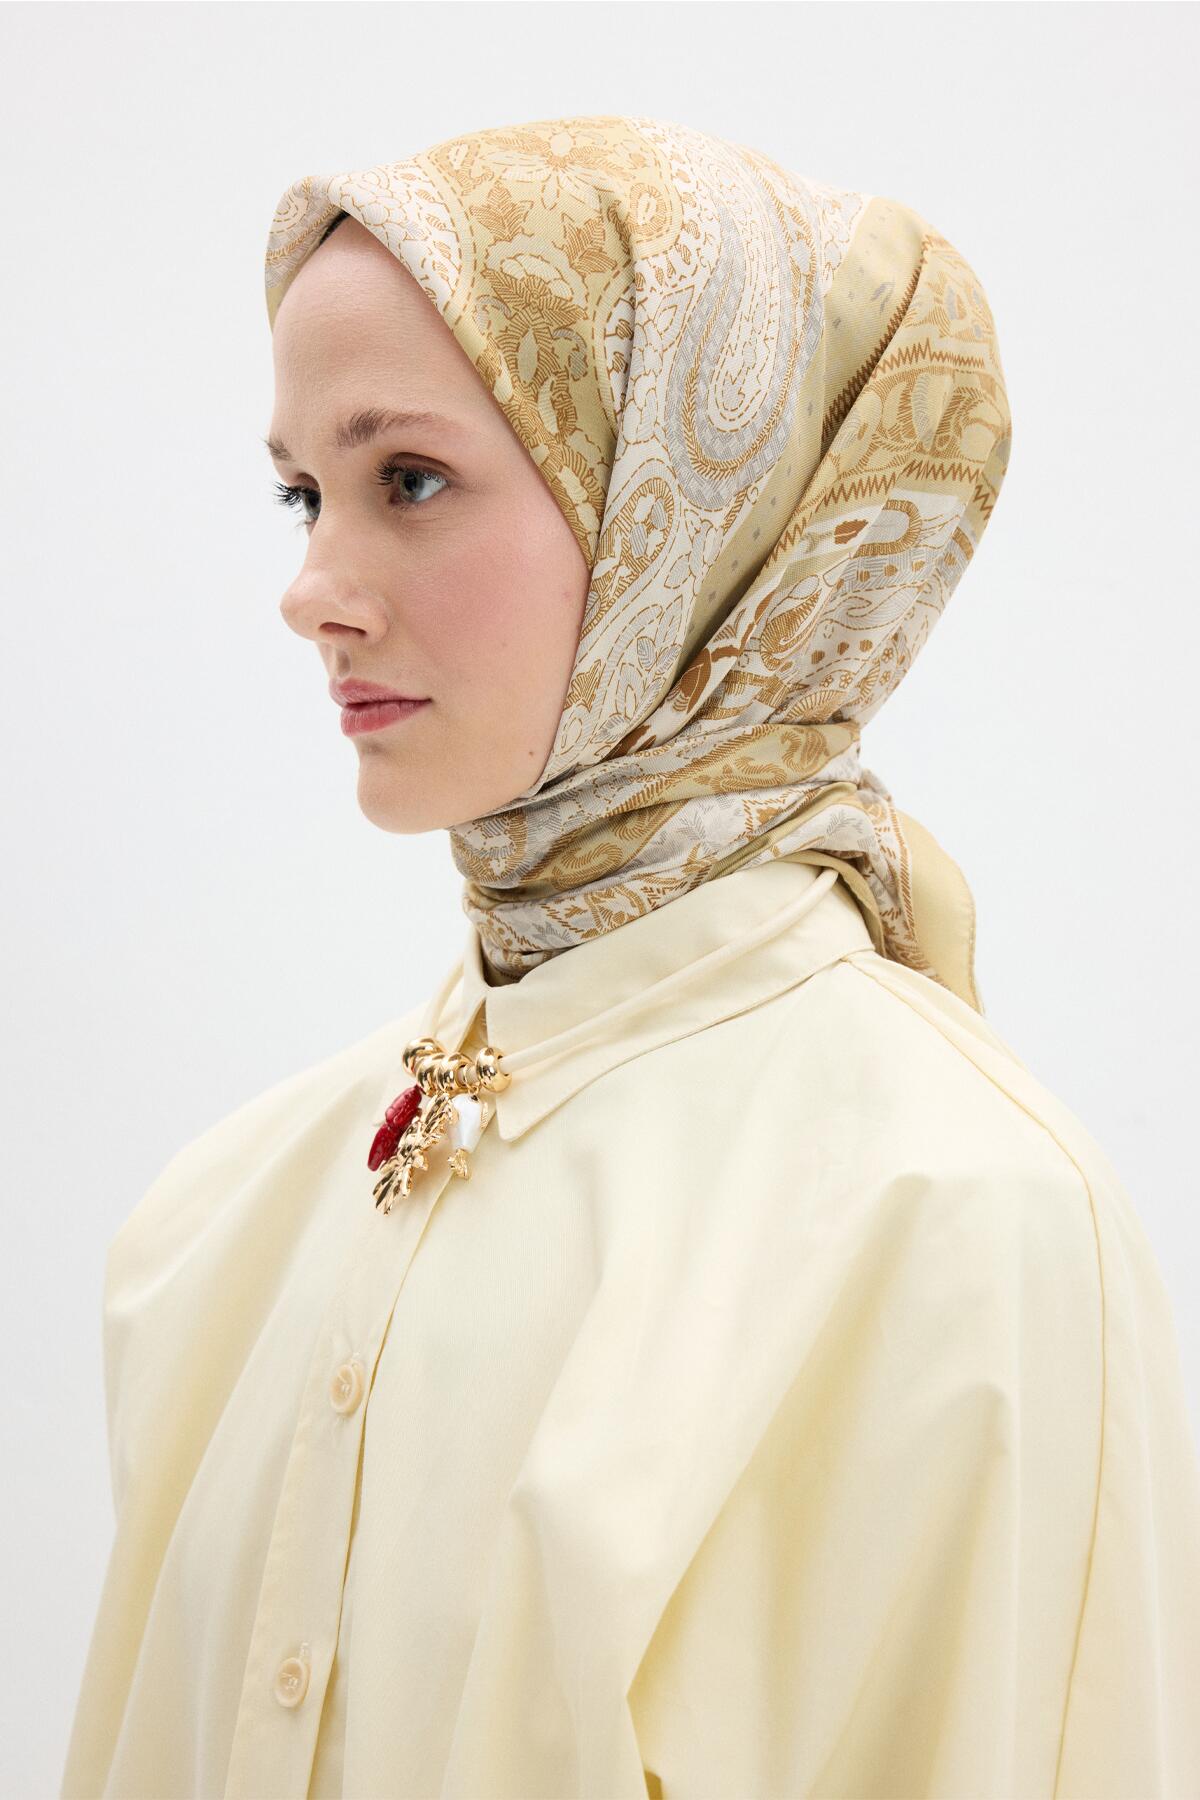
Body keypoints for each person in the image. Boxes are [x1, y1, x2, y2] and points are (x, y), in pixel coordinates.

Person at [62, 115, 1200, 1799]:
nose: (312, 588)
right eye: (304, 492)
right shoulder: (227, 1219)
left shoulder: (956, 1219)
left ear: (704, 520)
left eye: (410, 479)